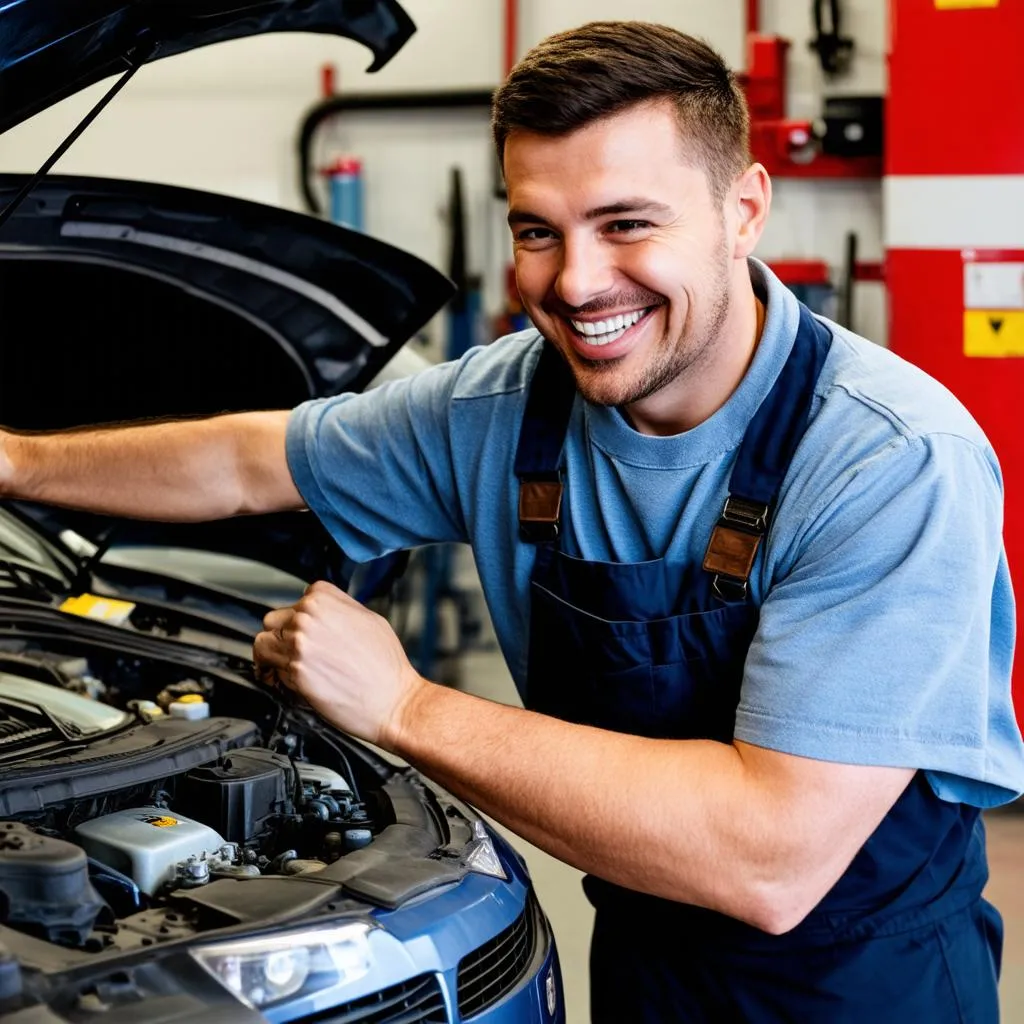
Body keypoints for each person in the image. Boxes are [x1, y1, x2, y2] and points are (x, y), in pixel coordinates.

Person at [1, 20, 1022, 1022]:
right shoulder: (506, 408)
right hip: (641, 954)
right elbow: (247, 459)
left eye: (627, 223)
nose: (574, 282)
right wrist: (16, 462)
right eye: (538, 230)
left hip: (863, 988)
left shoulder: (887, 460)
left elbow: (767, 857)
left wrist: (402, 705)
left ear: (742, 210)